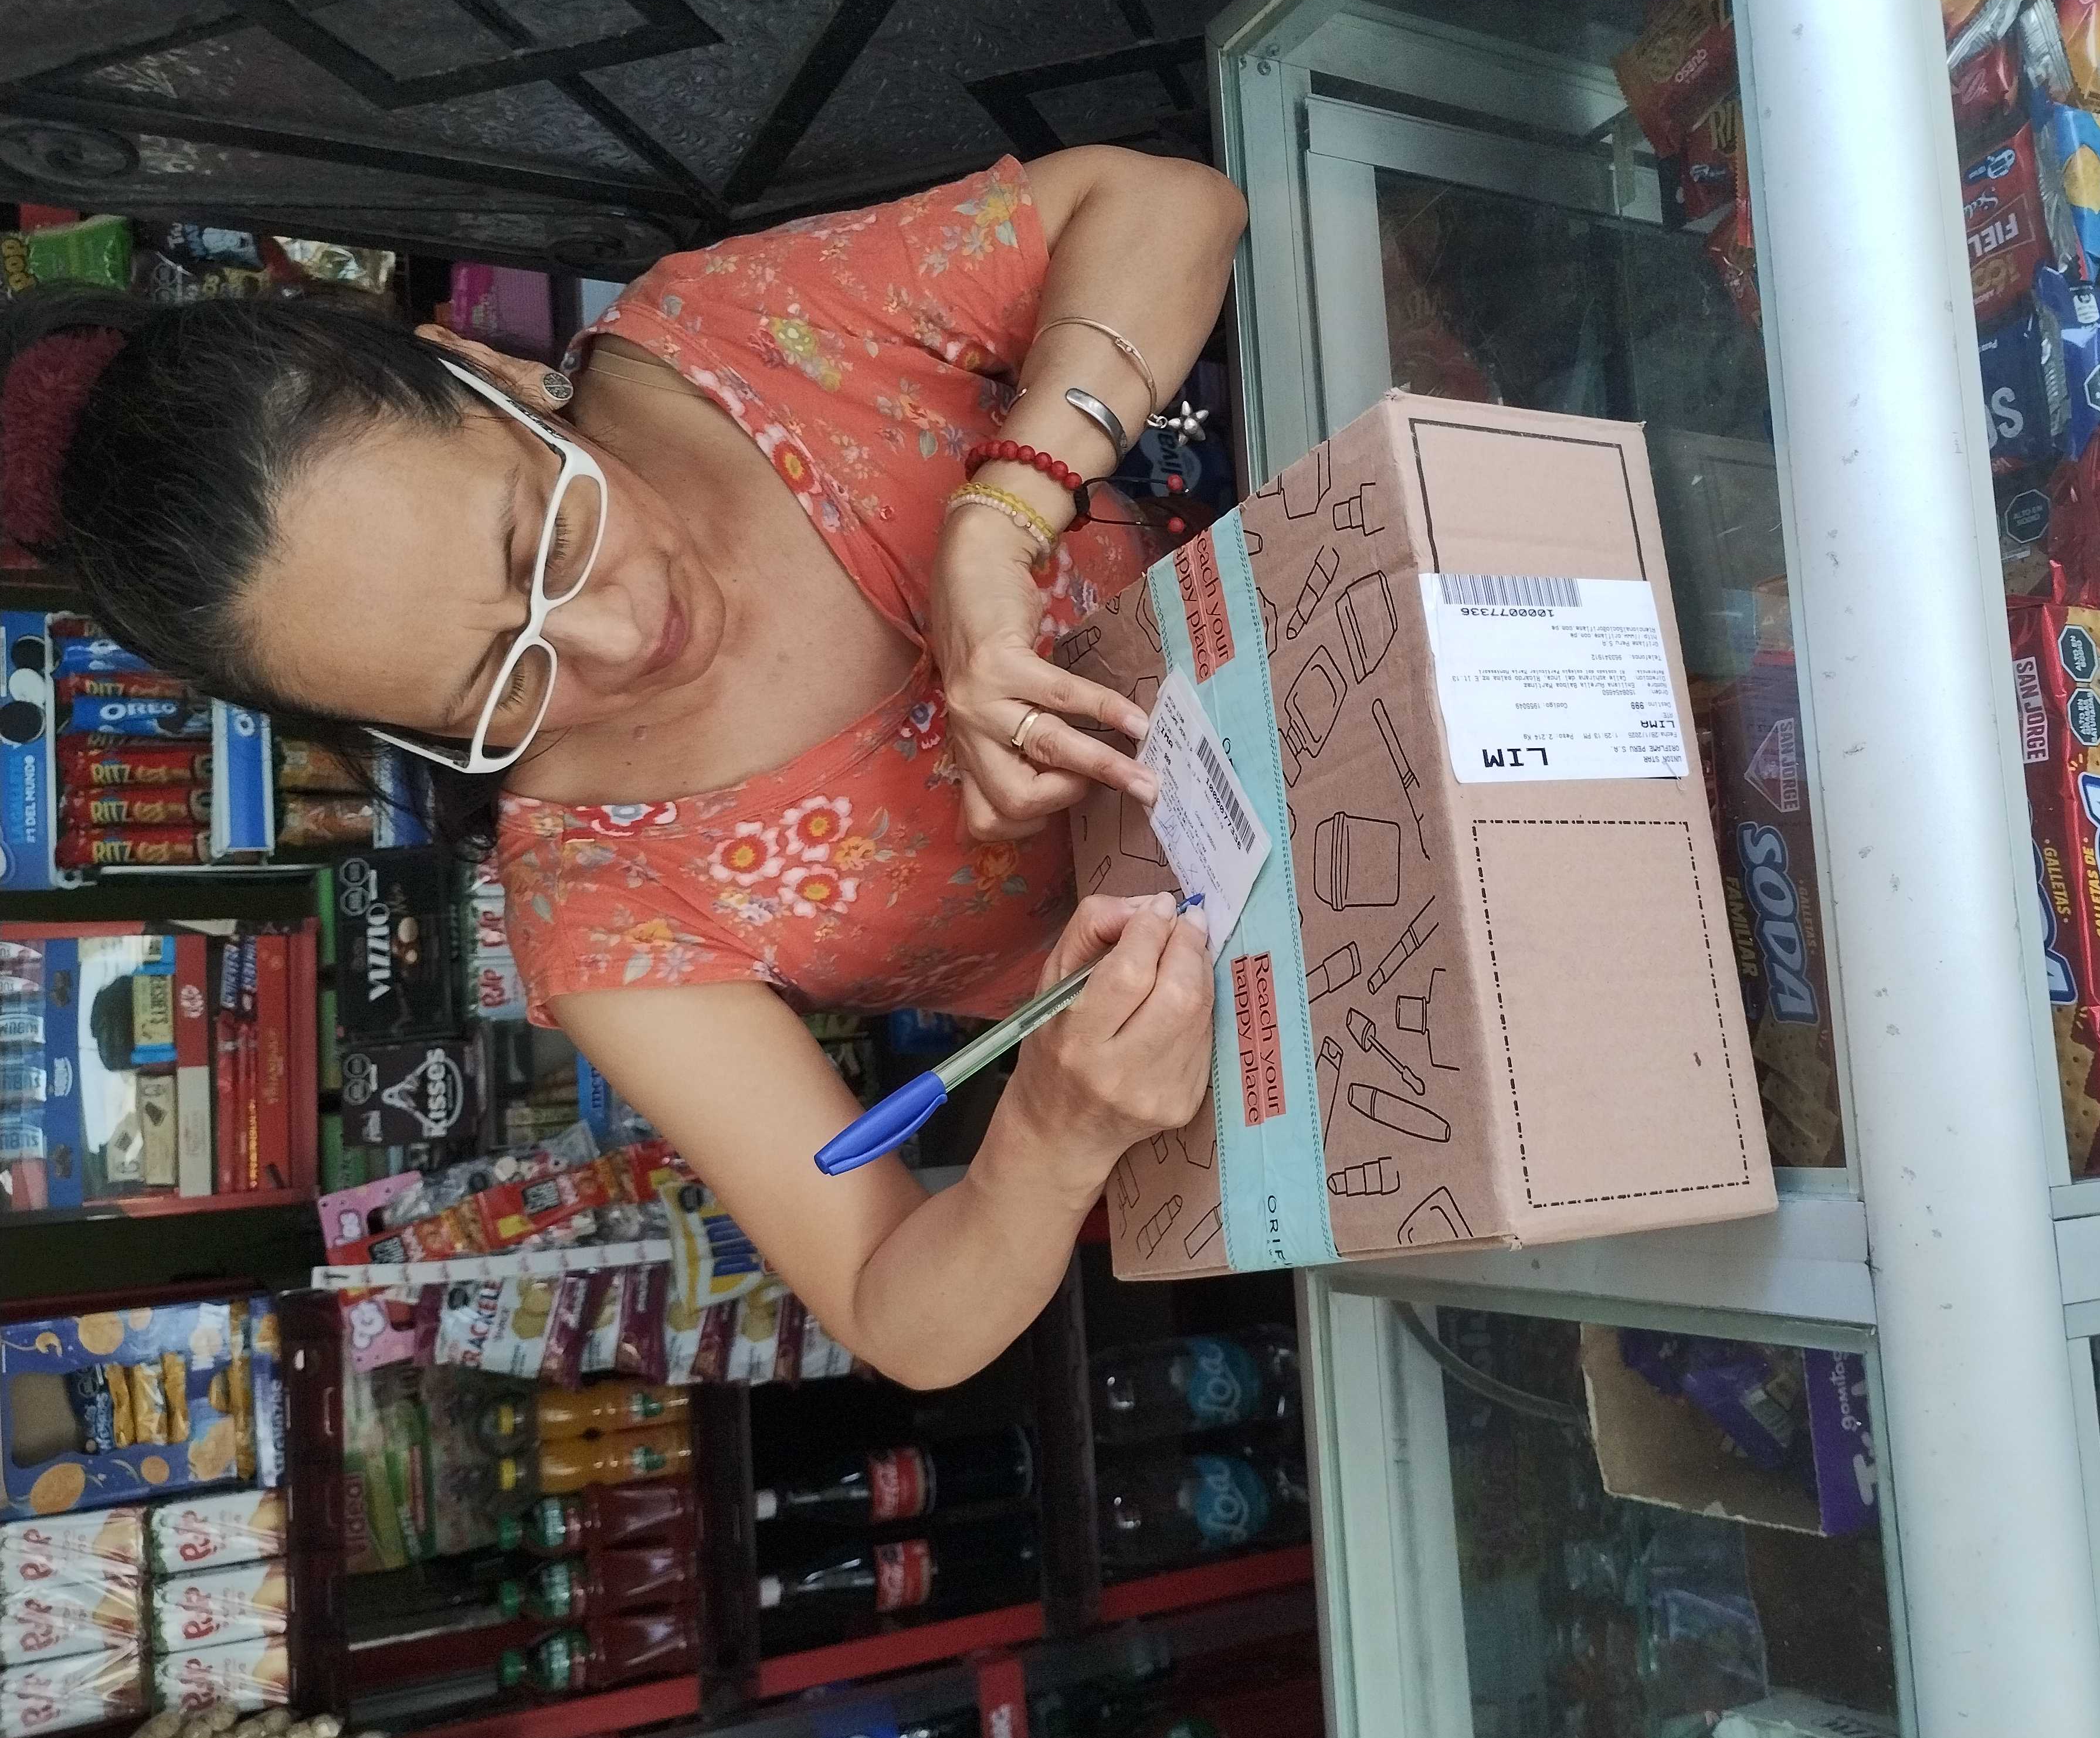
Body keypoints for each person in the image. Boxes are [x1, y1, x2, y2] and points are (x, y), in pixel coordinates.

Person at [1, 148, 1248, 1387]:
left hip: (1305, 601)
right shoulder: (602, 903)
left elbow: (1168, 206)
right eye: (499, 684)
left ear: (488, 373)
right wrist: (1052, 1134)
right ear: (398, 736)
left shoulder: (727, 335)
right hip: (1265, 968)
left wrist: (1008, 507)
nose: (617, 632)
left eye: (540, 538)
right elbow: (898, 1310)